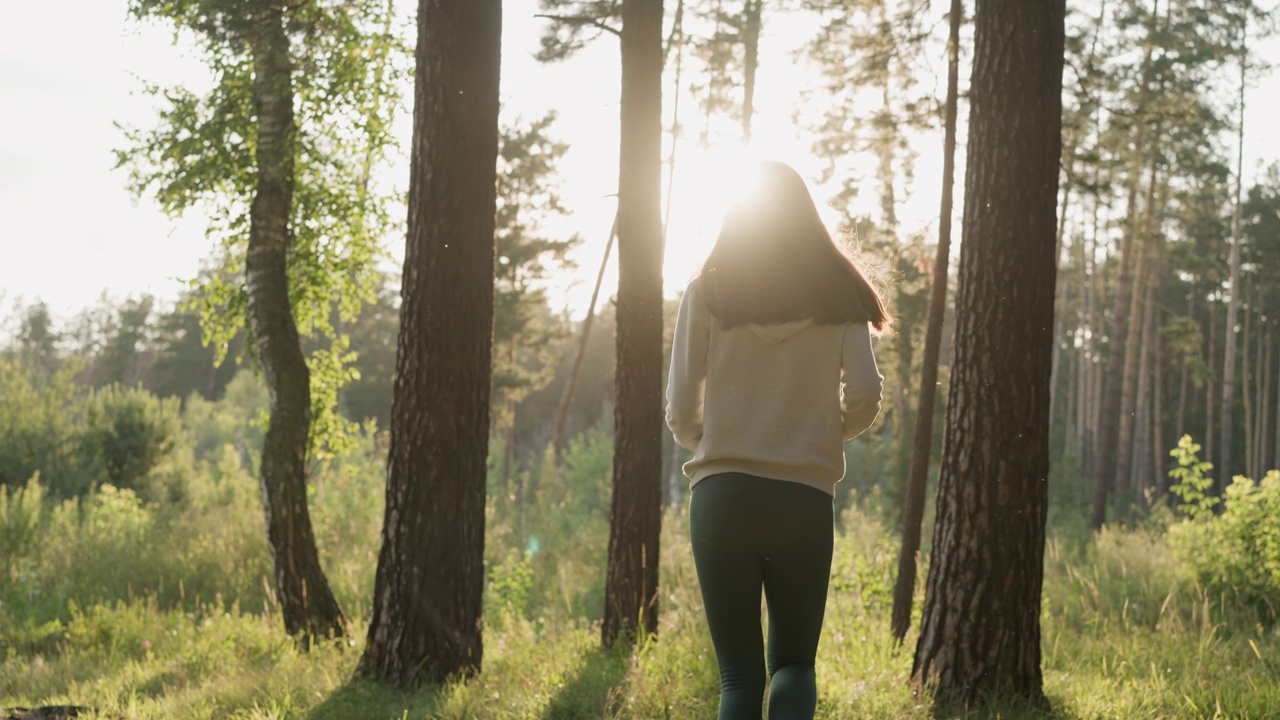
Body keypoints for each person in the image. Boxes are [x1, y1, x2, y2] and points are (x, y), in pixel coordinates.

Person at [666, 160, 888, 720]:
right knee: (793, 667)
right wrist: (820, 434)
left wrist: (712, 439)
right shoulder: (840, 299)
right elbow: (865, 394)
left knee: (738, 679)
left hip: (721, 494)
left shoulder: (707, 293)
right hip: (802, 497)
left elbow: (678, 407)